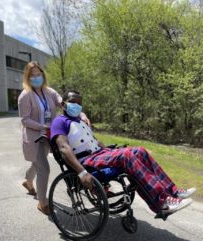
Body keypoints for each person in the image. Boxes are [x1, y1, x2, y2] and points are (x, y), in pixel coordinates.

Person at [50, 90, 196, 215]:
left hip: (99, 154)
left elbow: (94, 142)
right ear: (63, 104)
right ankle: (162, 202)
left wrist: (112, 150)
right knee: (126, 156)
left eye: (79, 103)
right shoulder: (59, 122)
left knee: (140, 150)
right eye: (73, 102)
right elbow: (64, 148)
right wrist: (81, 173)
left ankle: (173, 191)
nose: (77, 105)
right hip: (86, 161)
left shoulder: (81, 121)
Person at [18, 62, 89, 215]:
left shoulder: (49, 91)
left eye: (38, 74)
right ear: (27, 77)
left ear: (43, 75)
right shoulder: (25, 95)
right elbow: (25, 120)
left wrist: (81, 114)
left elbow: (66, 104)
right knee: (43, 168)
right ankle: (42, 202)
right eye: (32, 75)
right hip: (35, 137)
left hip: (49, 135)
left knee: (39, 162)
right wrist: (43, 127)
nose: (36, 78)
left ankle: (28, 181)